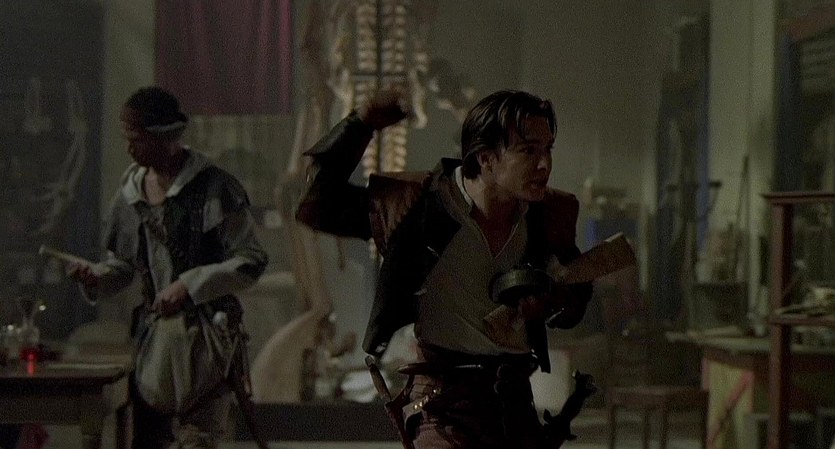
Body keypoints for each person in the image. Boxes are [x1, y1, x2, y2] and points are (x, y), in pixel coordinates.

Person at [295, 89, 593, 449]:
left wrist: (553, 303)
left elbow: (575, 295)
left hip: (513, 400)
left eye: (548, 149)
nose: (544, 164)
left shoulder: (548, 214)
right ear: (486, 158)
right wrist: (360, 124)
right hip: (443, 402)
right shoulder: (420, 206)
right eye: (529, 150)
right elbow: (318, 204)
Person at [66, 86, 268, 449]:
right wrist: (96, 277)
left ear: (164, 137)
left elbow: (251, 260)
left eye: (137, 139)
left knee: (197, 440)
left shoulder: (214, 188)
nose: (129, 149)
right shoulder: (131, 194)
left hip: (208, 341)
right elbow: (124, 265)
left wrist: (190, 285)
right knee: (150, 441)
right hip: (154, 345)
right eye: (127, 139)